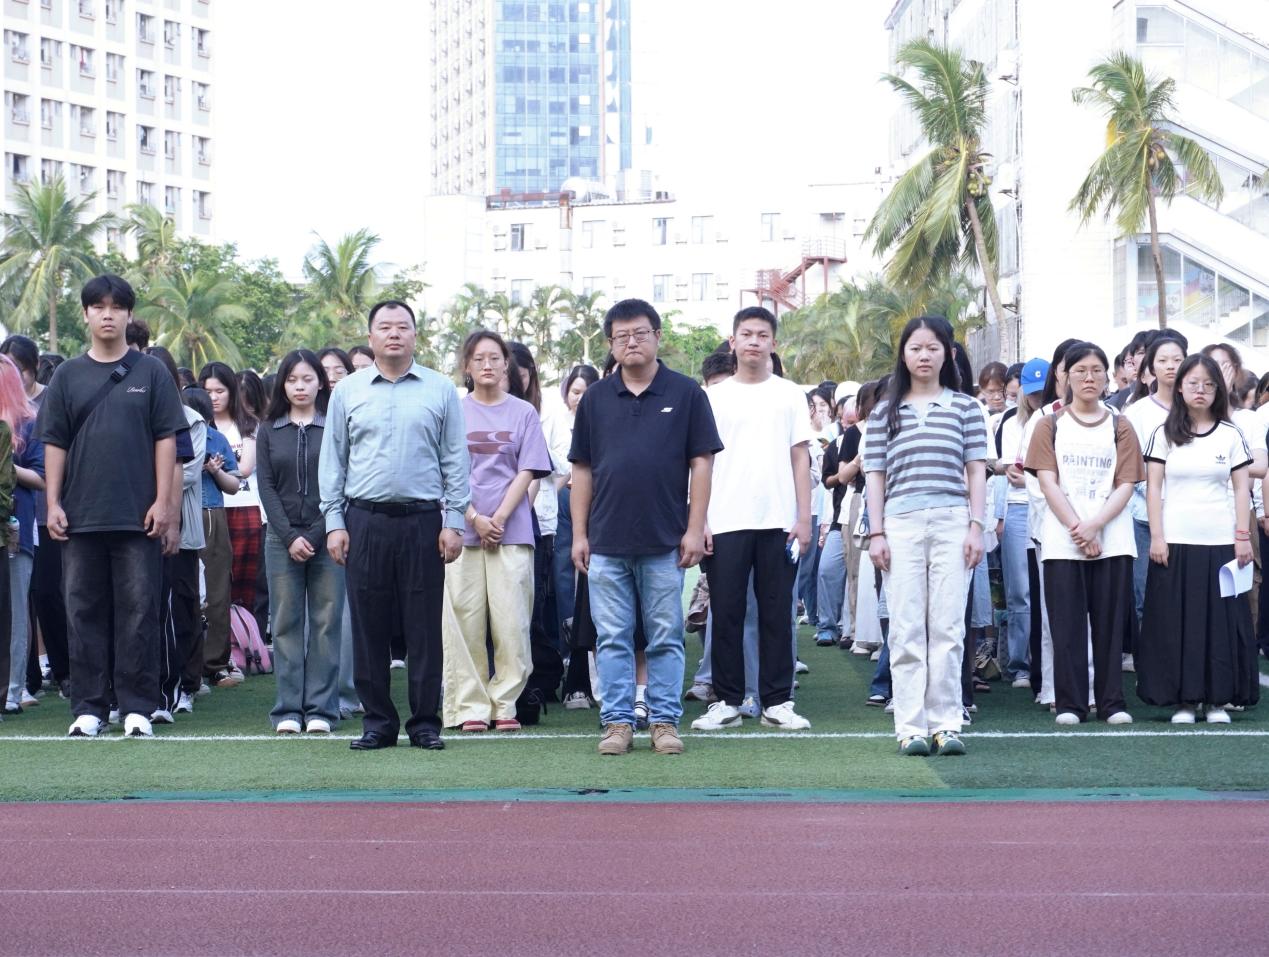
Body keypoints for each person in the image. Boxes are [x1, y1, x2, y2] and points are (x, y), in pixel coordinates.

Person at [39, 275, 186, 738]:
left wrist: (164, 503)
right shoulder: (66, 375)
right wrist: (52, 502)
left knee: (139, 612)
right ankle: (89, 707)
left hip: (138, 516)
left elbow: (166, 439)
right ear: (85, 314)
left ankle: (137, 706)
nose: (108, 314)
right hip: (80, 516)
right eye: (98, 306)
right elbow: (55, 442)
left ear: (128, 314)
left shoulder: (152, 372)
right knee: (82, 611)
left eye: (117, 307)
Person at [320, 300, 470, 752]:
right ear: (370, 337)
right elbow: (334, 460)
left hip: (423, 521)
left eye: (402, 327)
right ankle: (378, 723)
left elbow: (455, 458)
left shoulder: (440, 390)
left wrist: (455, 520)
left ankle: (425, 723)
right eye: (384, 327)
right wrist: (334, 522)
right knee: (368, 627)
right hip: (363, 520)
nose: (394, 334)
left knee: (424, 627)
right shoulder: (348, 391)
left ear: (415, 336)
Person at [862, 317, 986, 756]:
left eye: (933, 347)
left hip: (953, 522)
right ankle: (911, 726)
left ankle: (946, 723)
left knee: (948, 628)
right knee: (907, 626)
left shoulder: (966, 408)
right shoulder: (885, 412)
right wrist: (877, 532)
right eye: (915, 348)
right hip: (900, 524)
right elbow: (875, 476)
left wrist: (976, 526)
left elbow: (976, 471)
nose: (924, 355)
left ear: (948, 354)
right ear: (903, 354)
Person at [692, 306, 813, 733]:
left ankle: (777, 702)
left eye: (762, 335)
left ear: (773, 343)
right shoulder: (712, 397)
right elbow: (700, 462)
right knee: (725, 613)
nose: (754, 342)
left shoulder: (790, 394)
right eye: (746, 334)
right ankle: (726, 700)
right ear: (733, 341)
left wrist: (803, 517)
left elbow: (800, 457)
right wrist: (699, 520)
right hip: (724, 520)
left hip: (778, 520)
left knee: (776, 614)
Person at [1025, 342, 1140, 727]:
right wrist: (1079, 527)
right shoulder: (1049, 424)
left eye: (1096, 370)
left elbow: (1126, 483)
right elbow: (1047, 482)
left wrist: (1095, 525)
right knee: (1067, 626)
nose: (1089, 378)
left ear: (1107, 377)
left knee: (1109, 625)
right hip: (1062, 541)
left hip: (1113, 539)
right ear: (1065, 377)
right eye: (1080, 371)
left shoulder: (1120, 425)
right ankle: (1070, 703)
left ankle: (1111, 702)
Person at [440, 332, 551, 732]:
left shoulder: (523, 412)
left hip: (512, 530)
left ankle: (505, 704)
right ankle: (469, 707)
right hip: (461, 530)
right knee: (464, 622)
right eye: (478, 359)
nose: (487, 365)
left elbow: (528, 469)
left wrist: (499, 517)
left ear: (507, 364)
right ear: (466, 367)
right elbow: (444, 471)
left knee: (512, 622)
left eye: (494, 358)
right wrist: (473, 517)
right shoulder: (453, 411)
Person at [1138, 353, 1257, 723]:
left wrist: (1242, 536)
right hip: (1175, 543)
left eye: (1208, 384)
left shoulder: (1231, 434)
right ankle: (1185, 702)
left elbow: (1241, 489)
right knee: (1177, 624)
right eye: (1193, 383)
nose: (1200, 390)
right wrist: (1157, 537)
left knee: (1220, 624)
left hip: (1221, 543)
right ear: (1180, 388)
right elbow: (1153, 489)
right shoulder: (1163, 434)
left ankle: (1217, 701)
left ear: (1219, 389)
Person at [256, 350, 342, 735]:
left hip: (329, 535)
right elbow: (266, 486)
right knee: (286, 623)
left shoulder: (335, 426)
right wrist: (290, 536)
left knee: (326, 623)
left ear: (320, 382)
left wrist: (316, 533)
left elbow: (341, 483)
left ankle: (321, 709)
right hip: (281, 539)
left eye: (307, 379)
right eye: (292, 380)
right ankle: (288, 710)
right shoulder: (268, 429)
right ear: (282, 385)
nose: (300, 387)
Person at [144, 347, 205, 725]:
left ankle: (187, 683)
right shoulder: (135, 412)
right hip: (136, 523)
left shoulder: (191, 419)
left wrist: (149, 486)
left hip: (180, 526)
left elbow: (190, 471)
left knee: (182, 605)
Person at [198, 361, 261, 651]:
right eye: (208, 391)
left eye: (220, 391)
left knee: (243, 581)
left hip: (245, 508)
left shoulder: (247, 423)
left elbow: (245, 469)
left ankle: (245, 644)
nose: (213, 397)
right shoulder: (198, 426)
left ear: (232, 391)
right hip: (210, 510)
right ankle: (217, 646)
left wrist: (216, 468)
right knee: (212, 583)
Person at [549, 363, 600, 708]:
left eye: (586, 391)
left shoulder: (602, 417)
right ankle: (567, 654)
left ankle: (590, 668)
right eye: (575, 391)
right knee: (564, 580)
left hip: (598, 504)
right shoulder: (555, 420)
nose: (579, 398)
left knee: (591, 585)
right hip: (562, 503)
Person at [186, 388, 240, 696]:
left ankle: (216, 664)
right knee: (187, 593)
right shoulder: (169, 435)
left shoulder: (216, 439)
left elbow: (233, 485)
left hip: (210, 514)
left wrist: (216, 472)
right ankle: (187, 666)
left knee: (217, 591)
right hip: (179, 513)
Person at [0, 355, 35, 715]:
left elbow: (43, 477)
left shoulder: (28, 423)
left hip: (15, 528)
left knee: (14, 613)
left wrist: (6, 465)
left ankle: (12, 689)